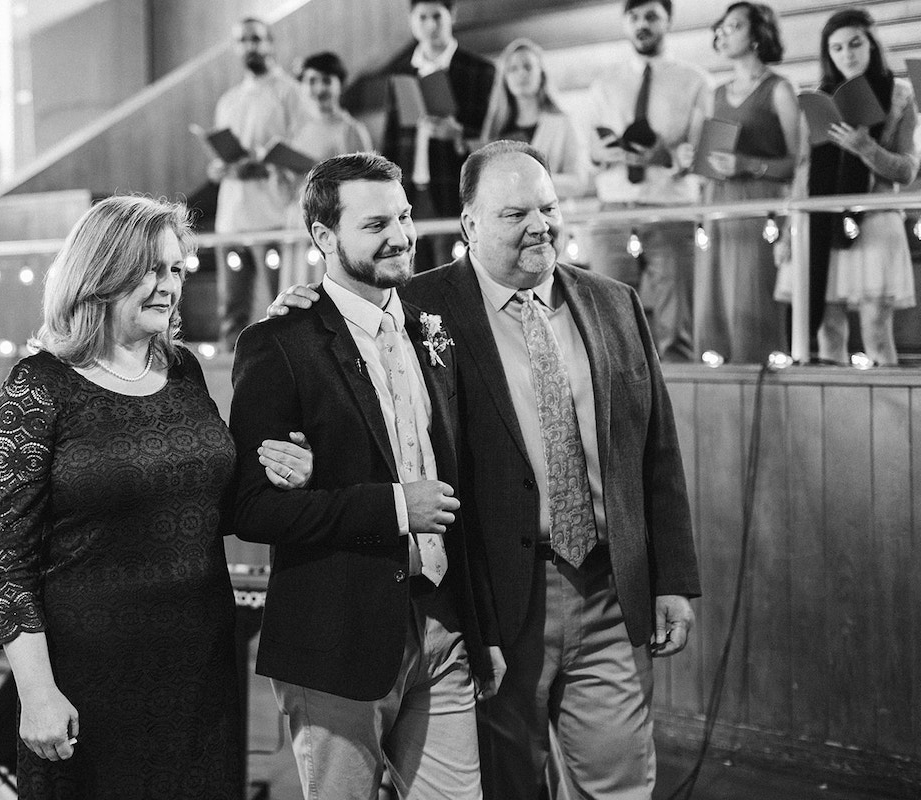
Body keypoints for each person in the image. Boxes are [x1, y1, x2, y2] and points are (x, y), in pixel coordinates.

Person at [270, 141, 700, 799]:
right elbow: (338, 360)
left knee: (621, 781)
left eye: (549, 208)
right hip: (500, 597)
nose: (540, 225)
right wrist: (303, 315)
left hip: (611, 588)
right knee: (509, 783)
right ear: (469, 224)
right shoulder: (411, 309)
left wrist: (673, 576)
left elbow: (657, 454)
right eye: (515, 214)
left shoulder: (616, 303)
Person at [0, 196, 314, 799]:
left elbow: (222, 499)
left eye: (177, 270)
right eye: (151, 270)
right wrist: (36, 692)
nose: (170, 286)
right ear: (101, 272)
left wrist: (287, 467)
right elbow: (5, 559)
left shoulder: (181, 368)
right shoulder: (39, 385)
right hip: (87, 680)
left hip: (198, 670)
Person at [229, 152, 502, 799]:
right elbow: (250, 510)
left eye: (405, 217)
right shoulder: (279, 344)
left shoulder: (430, 329)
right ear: (324, 237)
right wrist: (394, 507)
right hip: (337, 636)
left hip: (443, 625)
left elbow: (463, 485)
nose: (402, 236)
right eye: (377, 224)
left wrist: (481, 627)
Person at [782, 8, 918, 365]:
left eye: (855, 44)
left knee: (875, 329)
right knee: (829, 331)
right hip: (822, 222)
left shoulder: (900, 94)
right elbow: (803, 170)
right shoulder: (818, 98)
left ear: (872, 44)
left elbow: (908, 170)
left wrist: (866, 149)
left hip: (875, 218)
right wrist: (788, 232)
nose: (847, 55)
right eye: (837, 48)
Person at [583, 0, 710, 361]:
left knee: (677, 328)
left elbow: (705, 155)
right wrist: (601, 153)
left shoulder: (695, 80)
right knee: (608, 326)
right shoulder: (604, 83)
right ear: (625, 24)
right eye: (635, 17)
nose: (642, 24)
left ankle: (679, 407)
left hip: (670, 207)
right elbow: (585, 154)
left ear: (668, 21)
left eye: (651, 16)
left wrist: (667, 157)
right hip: (613, 210)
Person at [681, 2, 798, 363]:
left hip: (758, 206)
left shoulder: (778, 88)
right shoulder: (714, 94)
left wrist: (747, 164)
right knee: (713, 302)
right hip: (717, 206)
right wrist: (691, 159)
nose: (724, 33)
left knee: (752, 299)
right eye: (722, 27)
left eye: (735, 26)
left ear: (757, 33)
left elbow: (797, 161)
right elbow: (707, 159)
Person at [209, 17, 309, 350]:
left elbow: (303, 154)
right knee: (231, 310)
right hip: (232, 218)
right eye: (243, 41)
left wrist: (263, 166)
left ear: (270, 43)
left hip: (274, 214)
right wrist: (221, 169)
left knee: (282, 308)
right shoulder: (228, 100)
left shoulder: (291, 93)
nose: (250, 46)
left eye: (256, 39)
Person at [382, 0, 495, 270]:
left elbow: (491, 135)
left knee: (459, 274)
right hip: (410, 187)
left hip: (456, 186)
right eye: (422, 17)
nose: (430, 25)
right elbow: (391, 137)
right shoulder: (400, 72)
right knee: (410, 277)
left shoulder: (478, 70)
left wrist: (458, 133)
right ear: (412, 20)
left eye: (437, 17)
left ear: (452, 16)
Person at [281, 51, 374, 287]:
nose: (319, 88)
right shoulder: (297, 130)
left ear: (339, 85)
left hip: (333, 220)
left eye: (326, 81)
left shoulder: (351, 130)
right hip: (299, 218)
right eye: (311, 81)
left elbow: (365, 185)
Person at [480, 37, 591, 198]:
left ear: (541, 73)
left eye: (528, 67)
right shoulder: (495, 127)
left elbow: (578, 183)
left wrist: (534, 179)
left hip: (551, 215)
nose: (521, 74)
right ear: (505, 79)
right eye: (513, 69)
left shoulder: (562, 122)